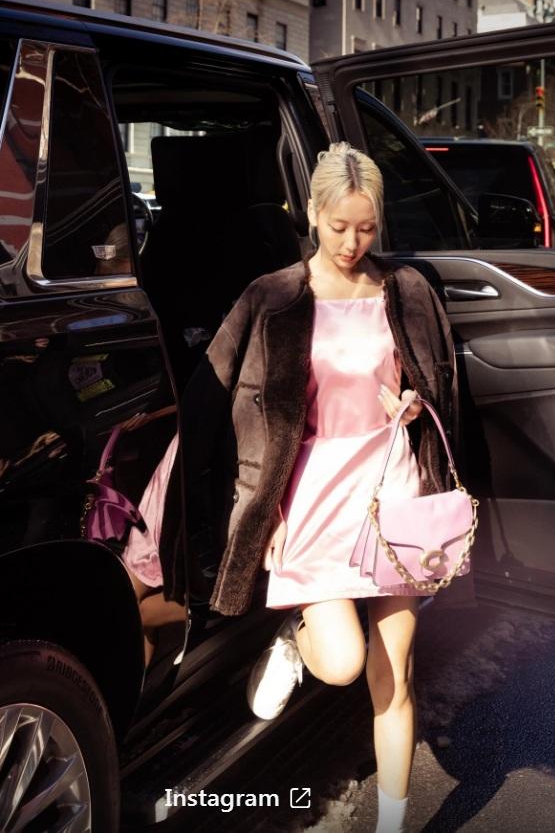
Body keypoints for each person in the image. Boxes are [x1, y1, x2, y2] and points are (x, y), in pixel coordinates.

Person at [149, 141, 460, 833]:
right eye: (338, 225)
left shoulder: (406, 290)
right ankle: (294, 635)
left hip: (392, 488)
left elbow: (437, 384)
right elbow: (222, 407)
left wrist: (412, 404)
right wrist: (256, 508)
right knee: (343, 663)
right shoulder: (274, 296)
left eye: (366, 227)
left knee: (394, 673)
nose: (352, 243)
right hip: (311, 492)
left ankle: (390, 823)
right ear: (311, 214)